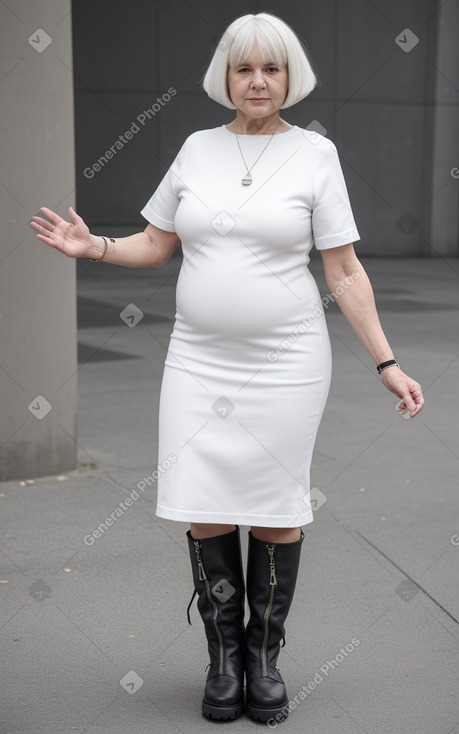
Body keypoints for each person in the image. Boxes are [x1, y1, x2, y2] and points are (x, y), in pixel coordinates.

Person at [30, 11, 424, 726]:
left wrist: (385, 362)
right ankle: (223, 660)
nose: (257, 80)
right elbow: (155, 244)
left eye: (270, 67)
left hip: (287, 365)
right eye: (243, 67)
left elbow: (343, 271)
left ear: (289, 76)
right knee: (206, 507)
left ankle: (263, 660)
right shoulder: (195, 148)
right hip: (197, 361)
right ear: (225, 76)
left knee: (276, 513)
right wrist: (95, 248)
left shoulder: (314, 156)